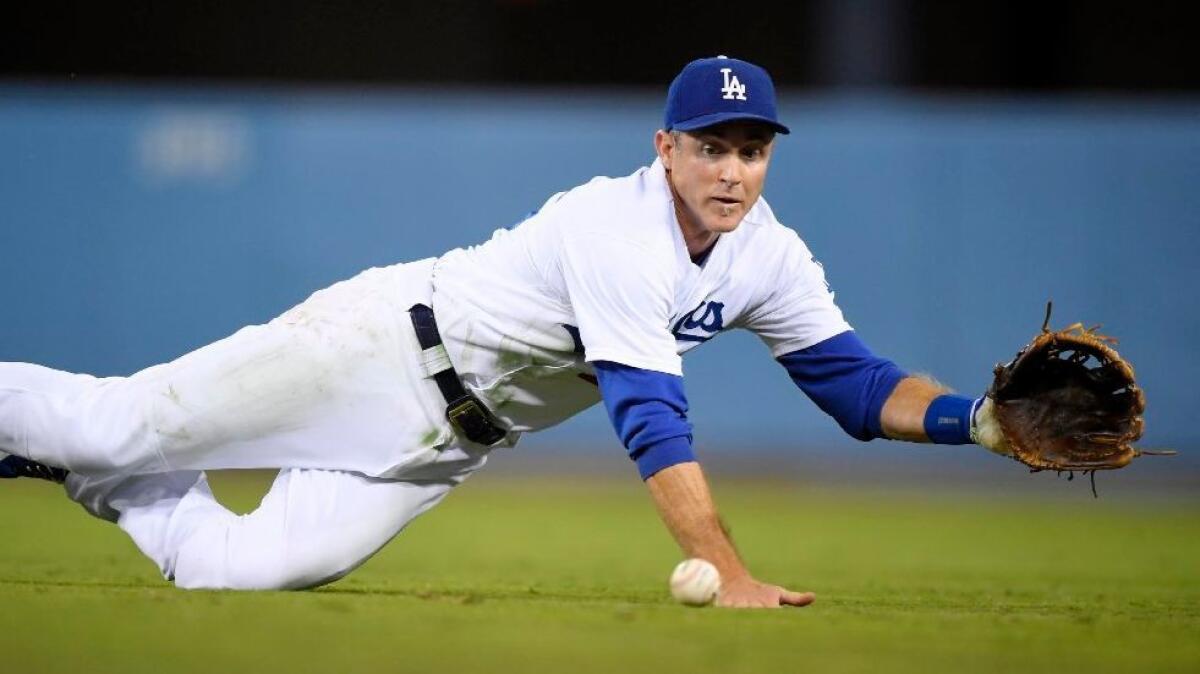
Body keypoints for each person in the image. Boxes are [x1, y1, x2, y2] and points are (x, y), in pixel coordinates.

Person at [0, 56, 1007, 607]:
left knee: (248, 569)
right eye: (712, 146)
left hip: (448, 444)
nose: (733, 169)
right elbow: (650, 416)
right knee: (118, 419)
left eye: (753, 149)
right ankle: (85, 451)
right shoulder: (620, 229)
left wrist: (984, 421)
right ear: (667, 147)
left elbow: (856, 387)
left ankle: (99, 482)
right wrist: (730, 572)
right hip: (376, 351)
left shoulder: (770, 256)